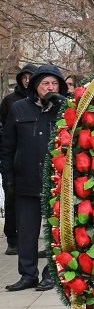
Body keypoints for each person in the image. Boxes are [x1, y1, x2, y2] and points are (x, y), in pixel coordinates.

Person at [0, 65, 68, 290]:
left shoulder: (65, 109)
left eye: (54, 83)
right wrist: (7, 177)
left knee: (54, 231)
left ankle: (52, 274)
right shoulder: (19, 108)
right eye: (45, 84)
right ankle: (27, 274)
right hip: (25, 179)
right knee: (27, 232)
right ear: (35, 86)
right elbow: (8, 146)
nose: (50, 88)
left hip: (56, 181)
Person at [0, 63, 36, 255]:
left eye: (31, 76)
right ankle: (12, 240)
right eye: (25, 77)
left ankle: (27, 241)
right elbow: (3, 126)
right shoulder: (10, 100)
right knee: (11, 201)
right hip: (14, 158)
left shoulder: (42, 101)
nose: (28, 80)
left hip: (33, 160)